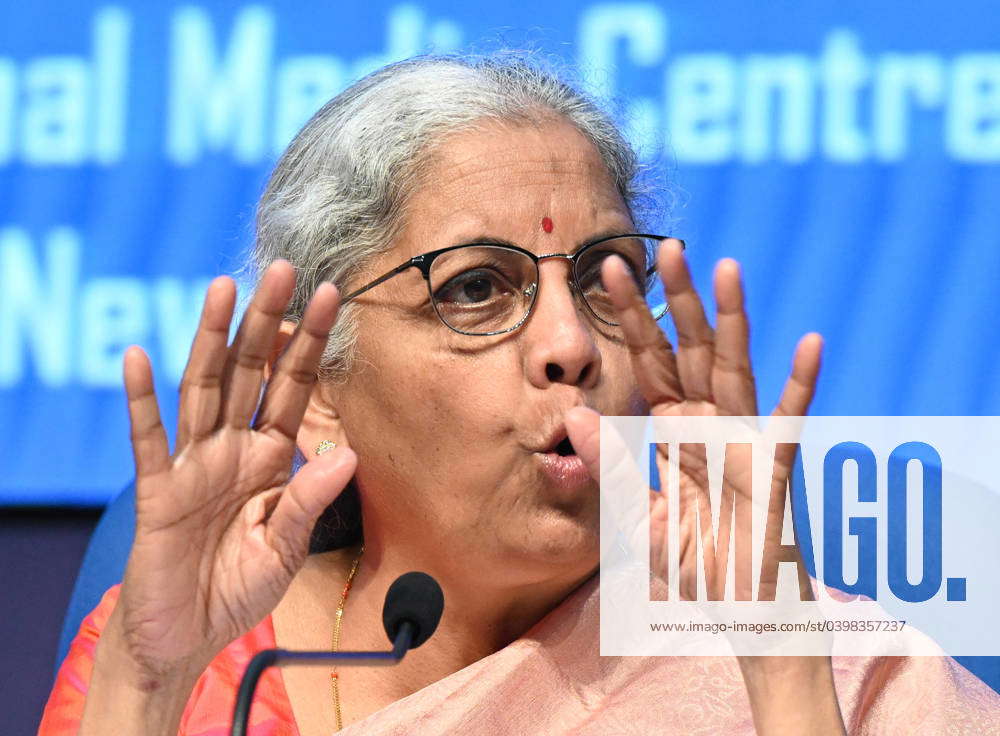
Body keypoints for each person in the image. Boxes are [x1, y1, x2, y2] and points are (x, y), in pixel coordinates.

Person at [40, 53, 999, 736]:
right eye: (474, 290)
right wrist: (150, 681)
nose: (571, 345)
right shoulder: (188, 656)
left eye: (602, 278)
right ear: (322, 384)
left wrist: (780, 661)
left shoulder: (817, 659)